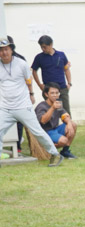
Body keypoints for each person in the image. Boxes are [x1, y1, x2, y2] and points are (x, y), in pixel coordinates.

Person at [0, 38, 61, 167]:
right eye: (1, 50)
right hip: (5, 107)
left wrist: (31, 94)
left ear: (11, 50)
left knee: (37, 131)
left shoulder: (21, 64)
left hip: (23, 106)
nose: (4, 52)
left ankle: (55, 154)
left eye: (6, 49)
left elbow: (28, 80)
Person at [31, 35, 72, 115]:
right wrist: (40, 85)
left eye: (45, 47)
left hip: (62, 88)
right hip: (48, 89)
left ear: (51, 44)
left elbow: (66, 69)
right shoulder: (39, 57)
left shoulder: (61, 55)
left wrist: (69, 83)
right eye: (41, 47)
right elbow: (34, 71)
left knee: (65, 112)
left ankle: (68, 127)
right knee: (51, 112)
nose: (43, 49)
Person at [34, 82, 77, 158]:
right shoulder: (41, 106)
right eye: (52, 93)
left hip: (55, 130)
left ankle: (65, 151)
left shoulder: (58, 103)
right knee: (64, 141)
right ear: (46, 94)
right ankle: (48, 150)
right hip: (46, 132)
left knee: (73, 124)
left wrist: (69, 124)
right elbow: (43, 120)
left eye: (57, 93)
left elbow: (64, 115)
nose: (55, 95)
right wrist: (53, 108)